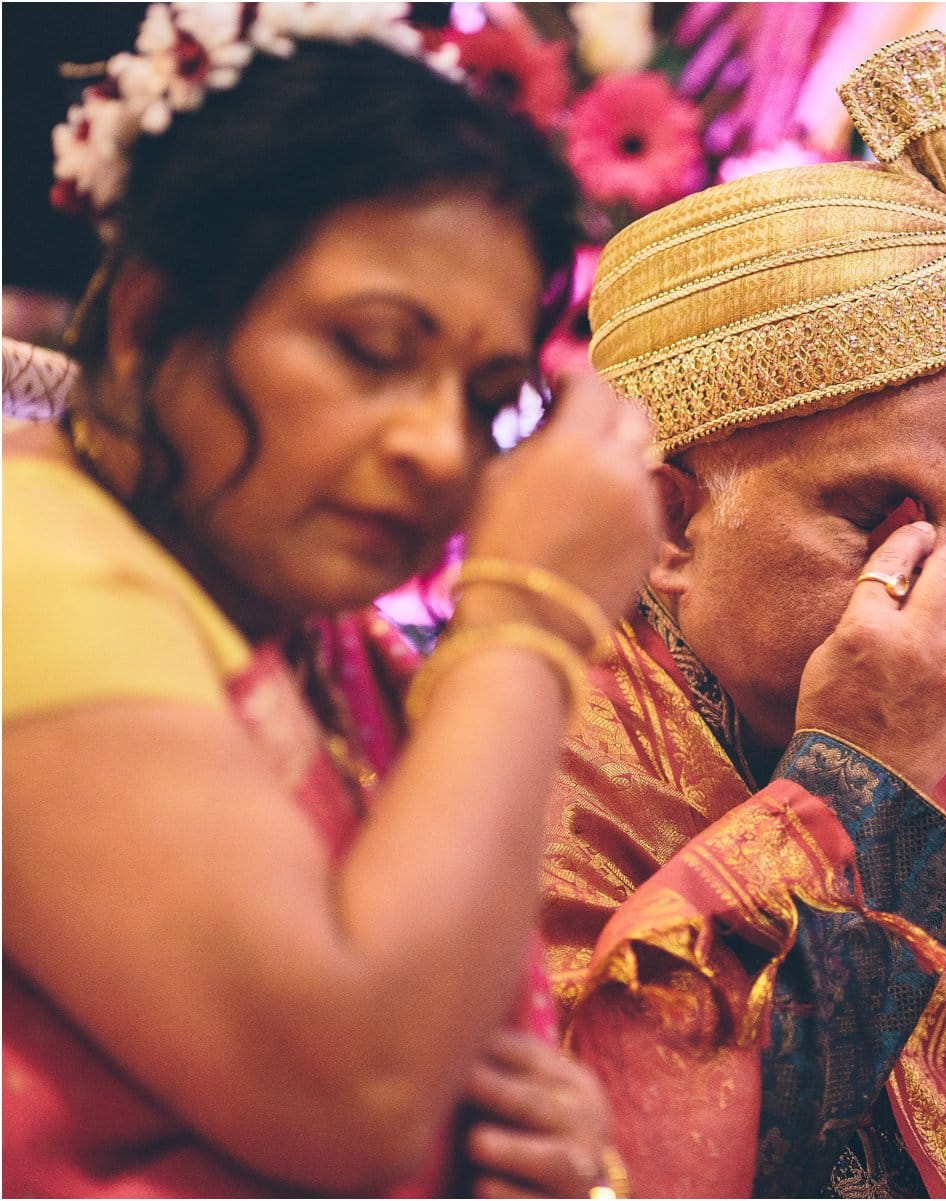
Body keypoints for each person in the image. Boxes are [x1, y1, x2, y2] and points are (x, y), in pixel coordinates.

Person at [2, 5, 660, 1196]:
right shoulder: (24, 563)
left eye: (484, 393)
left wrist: (550, 1149)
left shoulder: (322, 651)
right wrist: (529, 612)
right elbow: (353, 1090)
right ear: (152, 320)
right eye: (370, 348)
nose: (434, 446)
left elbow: (418, 1053)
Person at [542, 31, 946, 1198]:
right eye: (878, 517)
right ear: (669, 527)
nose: (934, 588)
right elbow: (631, 1162)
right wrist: (845, 794)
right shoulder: (520, 777)